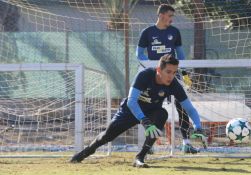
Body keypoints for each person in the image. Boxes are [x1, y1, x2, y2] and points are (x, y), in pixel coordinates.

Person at [70, 54, 206, 168]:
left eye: (174, 72)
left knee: (162, 114)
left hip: (152, 112)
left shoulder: (174, 84)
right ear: (159, 69)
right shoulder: (144, 75)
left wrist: (198, 127)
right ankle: (87, 152)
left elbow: (189, 108)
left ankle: (140, 157)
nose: (171, 76)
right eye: (168, 72)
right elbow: (131, 101)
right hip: (130, 111)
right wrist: (144, 120)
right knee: (107, 136)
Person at [136, 4, 197, 153]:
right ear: (161, 15)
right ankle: (147, 146)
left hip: (172, 77)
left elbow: (181, 56)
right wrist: (151, 69)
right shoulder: (147, 32)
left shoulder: (174, 32)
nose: (171, 19)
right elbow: (139, 54)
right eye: (170, 16)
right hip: (155, 79)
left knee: (182, 107)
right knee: (153, 110)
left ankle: (186, 143)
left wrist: (185, 76)